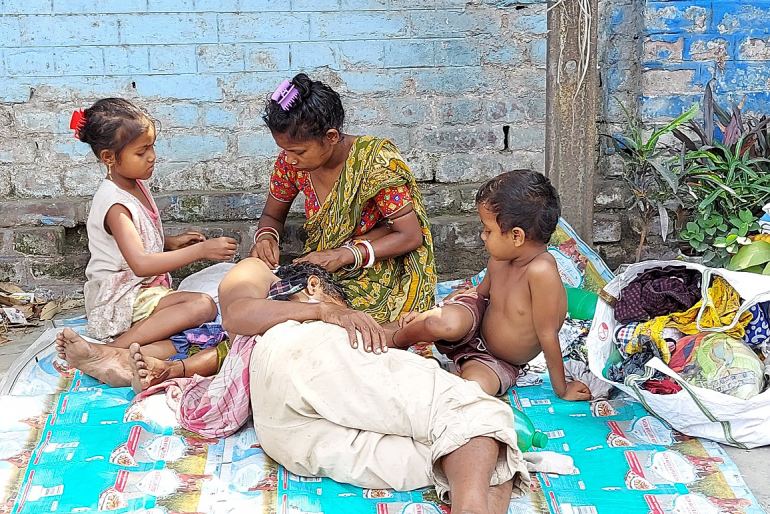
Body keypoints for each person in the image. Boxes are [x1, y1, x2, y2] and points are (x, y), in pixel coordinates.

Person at [132, 258, 529, 514]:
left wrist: (419, 324)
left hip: (285, 430)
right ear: (313, 285)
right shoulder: (262, 276)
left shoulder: (344, 328)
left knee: (472, 451)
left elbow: (385, 344)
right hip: (300, 355)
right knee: (475, 410)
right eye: (339, 295)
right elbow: (235, 315)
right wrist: (324, 312)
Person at [58, 98, 238, 381]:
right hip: (120, 297)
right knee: (203, 306)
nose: (152, 156)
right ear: (109, 157)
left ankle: (124, 363)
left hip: (141, 292)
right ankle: (107, 349)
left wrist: (171, 242)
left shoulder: (133, 184)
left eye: (152, 147)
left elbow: (135, 240)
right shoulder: (115, 204)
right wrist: (201, 251)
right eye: (142, 151)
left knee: (203, 335)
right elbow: (140, 263)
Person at [384, 170, 592, 400]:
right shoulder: (499, 259)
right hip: (474, 325)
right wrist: (439, 309)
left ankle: (426, 383)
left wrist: (561, 388)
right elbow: (479, 297)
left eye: (488, 230)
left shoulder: (541, 271)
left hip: (497, 361)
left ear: (517, 236)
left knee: (475, 389)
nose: (483, 236)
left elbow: (548, 335)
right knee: (442, 322)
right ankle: (395, 338)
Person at [250, 73, 436, 323]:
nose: (291, 159)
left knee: (348, 322)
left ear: (331, 137)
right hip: (321, 268)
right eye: (285, 151)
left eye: (299, 151)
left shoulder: (374, 161)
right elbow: (272, 216)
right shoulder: (290, 164)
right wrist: (266, 238)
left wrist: (342, 255)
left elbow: (410, 235)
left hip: (377, 268)